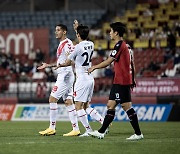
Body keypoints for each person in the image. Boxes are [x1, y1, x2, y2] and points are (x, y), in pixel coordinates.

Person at [88, 22, 143, 140]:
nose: (109, 33)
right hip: (119, 80)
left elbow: (108, 61)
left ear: (116, 33)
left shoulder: (119, 45)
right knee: (111, 105)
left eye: (111, 31)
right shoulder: (126, 46)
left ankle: (138, 134)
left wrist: (94, 67)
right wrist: (132, 78)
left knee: (126, 106)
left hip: (121, 81)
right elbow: (131, 63)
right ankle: (101, 132)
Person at [54, 20, 104, 137]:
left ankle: (89, 130)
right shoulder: (91, 44)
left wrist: (60, 64)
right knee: (86, 106)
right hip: (90, 78)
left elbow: (67, 62)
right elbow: (83, 38)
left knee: (78, 107)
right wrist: (78, 29)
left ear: (78, 35)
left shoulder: (76, 48)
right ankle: (103, 122)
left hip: (81, 79)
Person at [37, 24, 80, 137]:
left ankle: (52, 128)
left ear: (64, 32)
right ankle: (76, 129)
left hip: (65, 75)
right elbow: (63, 61)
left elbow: (70, 60)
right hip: (66, 74)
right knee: (68, 102)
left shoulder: (67, 44)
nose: (56, 32)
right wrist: (48, 65)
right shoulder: (62, 44)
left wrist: (55, 65)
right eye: (55, 30)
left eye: (59, 30)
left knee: (52, 99)